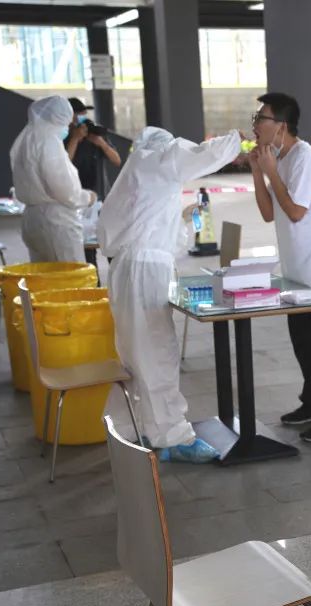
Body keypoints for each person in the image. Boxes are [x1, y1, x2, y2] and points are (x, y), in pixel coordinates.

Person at [98, 127, 242, 463]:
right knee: (157, 354)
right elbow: (204, 154)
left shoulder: (141, 176)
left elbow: (153, 230)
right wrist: (239, 136)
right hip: (143, 273)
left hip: (132, 270)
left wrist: (184, 221)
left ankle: (132, 429)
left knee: (137, 356)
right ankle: (172, 436)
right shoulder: (154, 160)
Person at [249, 92, 311, 443]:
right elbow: (267, 213)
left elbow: (295, 211)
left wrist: (271, 171)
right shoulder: (279, 158)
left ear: (281, 125)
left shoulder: (305, 157)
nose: (256, 125)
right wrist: (258, 171)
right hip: (295, 271)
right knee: (304, 345)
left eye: (262, 118)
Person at [10, 96, 95, 263]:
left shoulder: (27, 139)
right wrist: (87, 198)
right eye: (68, 121)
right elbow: (63, 189)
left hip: (33, 220)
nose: (70, 126)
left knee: (46, 275)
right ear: (60, 118)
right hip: (56, 223)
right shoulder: (49, 142)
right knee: (69, 276)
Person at [65, 97, 121, 201]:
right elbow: (64, 163)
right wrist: (75, 139)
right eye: (78, 115)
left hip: (99, 195)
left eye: (84, 114)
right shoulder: (63, 136)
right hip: (76, 196)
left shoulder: (94, 134)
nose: (82, 119)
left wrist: (102, 144)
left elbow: (117, 160)